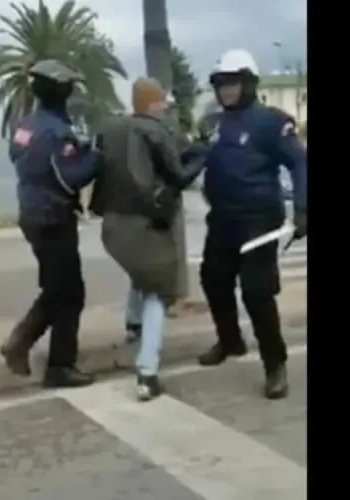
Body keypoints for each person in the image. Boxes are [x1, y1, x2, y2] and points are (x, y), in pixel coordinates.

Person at [196, 49, 307, 399]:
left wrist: (303, 207)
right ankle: (230, 341)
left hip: (260, 219)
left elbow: (300, 163)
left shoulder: (272, 121)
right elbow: (191, 160)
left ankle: (275, 366)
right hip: (223, 218)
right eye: (221, 84)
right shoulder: (211, 123)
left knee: (257, 292)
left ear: (249, 83)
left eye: (233, 83)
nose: (227, 90)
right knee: (213, 279)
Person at [89, 77, 205, 401]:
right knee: (159, 290)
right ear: (152, 103)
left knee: (142, 270)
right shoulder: (158, 130)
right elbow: (179, 176)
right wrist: (200, 155)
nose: (165, 106)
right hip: (146, 222)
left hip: (112, 227)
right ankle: (147, 371)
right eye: (161, 101)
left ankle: (133, 324)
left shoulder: (109, 129)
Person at [0, 59, 101, 389]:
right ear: (62, 91)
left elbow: (24, 159)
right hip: (54, 217)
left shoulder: (26, 125)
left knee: (57, 288)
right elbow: (70, 178)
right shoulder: (58, 131)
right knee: (71, 294)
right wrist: (96, 157)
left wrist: (77, 150)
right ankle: (57, 364)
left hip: (31, 214)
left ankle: (22, 343)